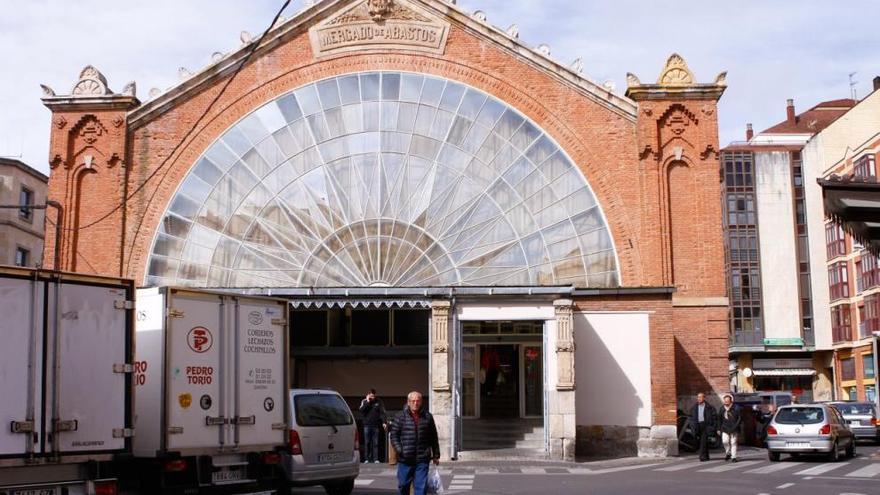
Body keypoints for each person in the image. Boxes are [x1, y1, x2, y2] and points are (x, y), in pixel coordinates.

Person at [389, 391, 440, 495]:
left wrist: (436, 455)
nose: (415, 403)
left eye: (418, 401)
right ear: (408, 402)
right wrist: (400, 450)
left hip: (422, 458)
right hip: (405, 458)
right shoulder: (400, 416)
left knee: (421, 488)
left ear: (421, 402)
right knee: (403, 485)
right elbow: (394, 435)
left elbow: (433, 437)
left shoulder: (427, 417)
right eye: (413, 401)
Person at [359, 388, 387, 463]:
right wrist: (367, 401)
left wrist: (384, 422)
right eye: (371, 396)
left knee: (375, 443)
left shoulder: (379, 401)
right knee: (367, 442)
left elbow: (382, 412)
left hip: (375, 425)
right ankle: (367, 459)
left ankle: (375, 459)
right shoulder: (364, 401)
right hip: (367, 426)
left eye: (373, 396)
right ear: (367, 395)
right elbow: (361, 411)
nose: (372, 397)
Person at [689, 392, 717, 461]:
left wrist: (713, 426)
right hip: (697, 425)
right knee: (702, 441)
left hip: (706, 425)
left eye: (701, 397)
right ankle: (706, 456)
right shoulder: (694, 407)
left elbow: (714, 417)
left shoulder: (709, 407)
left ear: (704, 398)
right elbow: (691, 417)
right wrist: (692, 425)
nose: (699, 398)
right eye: (698, 397)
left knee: (703, 441)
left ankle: (702, 457)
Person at [717, 394, 742, 462]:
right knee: (725, 441)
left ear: (731, 401)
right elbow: (719, 419)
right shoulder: (722, 408)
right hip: (725, 428)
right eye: (725, 401)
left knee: (733, 442)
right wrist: (718, 429)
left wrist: (735, 427)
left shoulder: (736, 408)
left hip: (734, 428)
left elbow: (739, 419)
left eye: (727, 401)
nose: (726, 403)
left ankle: (734, 457)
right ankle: (728, 453)